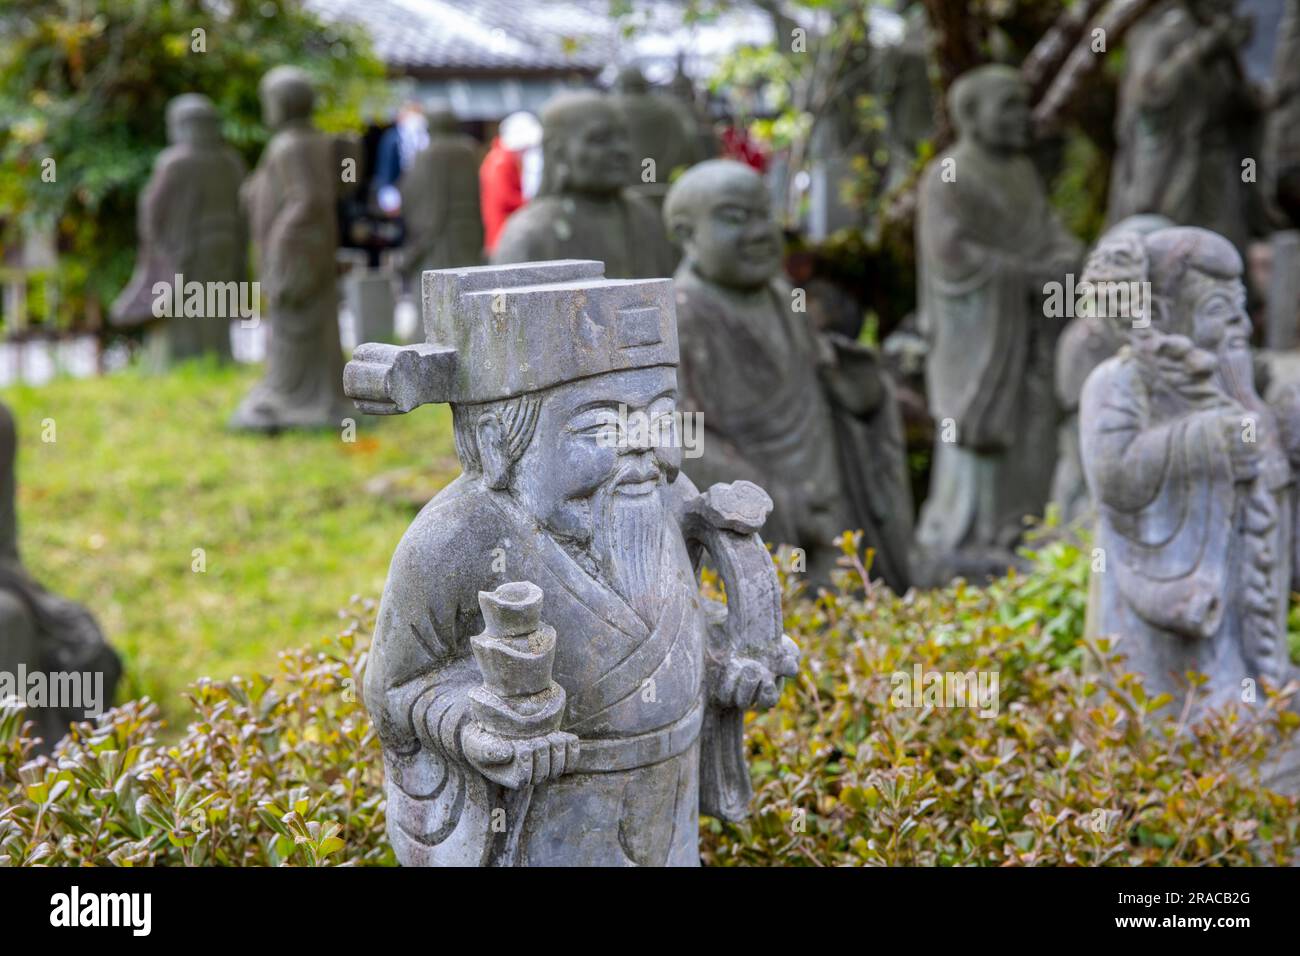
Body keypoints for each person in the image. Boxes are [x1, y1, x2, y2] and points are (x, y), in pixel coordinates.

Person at [479, 111, 540, 254]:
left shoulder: (499, 159)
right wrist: (533, 205)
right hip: (502, 234)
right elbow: (505, 198)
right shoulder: (502, 162)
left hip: (501, 233)